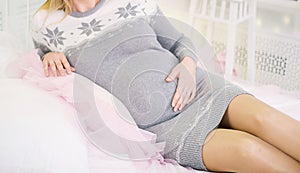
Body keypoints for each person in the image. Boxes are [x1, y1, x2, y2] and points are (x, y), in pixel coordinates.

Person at [32, 0, 300, 172]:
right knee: (247, 150)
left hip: (201, 90)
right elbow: (41, 65)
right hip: (163, 127)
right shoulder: (45, 24)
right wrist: (48, 55)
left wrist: (188, 65)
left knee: (267, 119)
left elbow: (179, 41)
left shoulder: (133, 2)